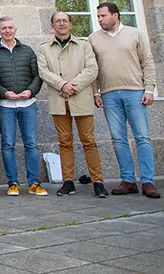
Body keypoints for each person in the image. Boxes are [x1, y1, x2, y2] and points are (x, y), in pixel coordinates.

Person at [89, 2, 160, 199]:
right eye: (98, 17)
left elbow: (147, 61)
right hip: (109, 94)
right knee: (118, 139)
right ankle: (128, 180)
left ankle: (148, 181)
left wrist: (150, 89)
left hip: (135, 92)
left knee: (142, 137)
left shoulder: (134, 33)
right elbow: (93, 69)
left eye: (103, 16)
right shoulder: (93, 38)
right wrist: (96, 92)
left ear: (116, 15)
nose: (100, 19)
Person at [37, 12, 108, 198]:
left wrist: (73, 86)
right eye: (57, 21)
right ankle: (68, 182)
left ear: (70, 24)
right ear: (52, 26)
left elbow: (92, 69)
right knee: (64, 142)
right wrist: (62, 85)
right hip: (59, 100)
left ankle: (98, 182)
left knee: (89, 141)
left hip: (80, 98)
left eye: (64, 21)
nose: (61, 24)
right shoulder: (44, 48)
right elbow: (43, 71)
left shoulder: (84, 45)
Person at [0, 17, 46, 197]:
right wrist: (4, 93)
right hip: (6, 105)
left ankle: (34, 183)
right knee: (8, 144)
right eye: (3, 28)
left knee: (31, 144)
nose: (7, 31)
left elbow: (37, 76)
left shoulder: (27, 51)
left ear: (15, 29)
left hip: (28, 104)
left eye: (10, 27)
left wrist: (30, 91)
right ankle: (13, 182)